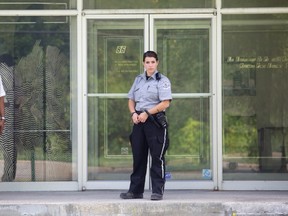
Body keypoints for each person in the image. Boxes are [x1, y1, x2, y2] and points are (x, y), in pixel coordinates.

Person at [120, 51, 172, 201]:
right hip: (139, 122)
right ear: (143, 63)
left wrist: (147, 113)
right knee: (138, 158)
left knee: (157, 158)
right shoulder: (138, 80)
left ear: (157, 63)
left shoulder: (162, 81)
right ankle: (135, 191)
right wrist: (133, 113)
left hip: (154, 122)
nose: (150, 65)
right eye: (147, 62)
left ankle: (157, 191)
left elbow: (165, 102)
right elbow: (131, 99)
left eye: (153, 62)